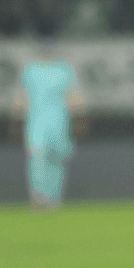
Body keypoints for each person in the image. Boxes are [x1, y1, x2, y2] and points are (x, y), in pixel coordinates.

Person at [12, 38, 86, 210]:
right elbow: (22, 96)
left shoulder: (65, 70)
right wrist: (16, 117)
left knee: (57, 158)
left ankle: (54, 198)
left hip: (60, 121)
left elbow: (74, 96)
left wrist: (80, 117)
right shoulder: (31, 70)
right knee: (38, 156)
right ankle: (39, 196)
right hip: (36, 121)